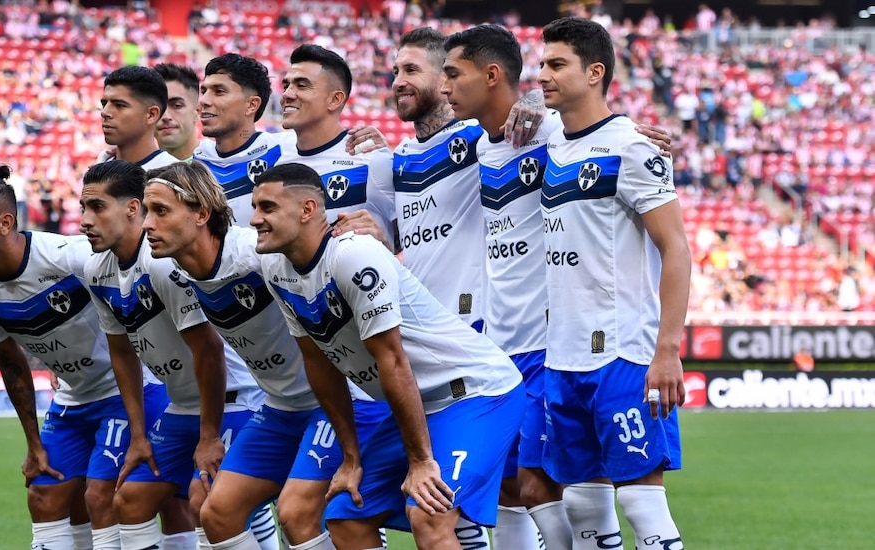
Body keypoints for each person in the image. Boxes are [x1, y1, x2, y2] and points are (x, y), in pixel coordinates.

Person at [251, 162, 525, 550]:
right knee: (346, 516)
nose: (254, 219)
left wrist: (421, 461)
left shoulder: (353, 256)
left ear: (308, 210)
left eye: (267, 207)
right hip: (419, 407)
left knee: (427, 515)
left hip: (475, 393)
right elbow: (319, 363)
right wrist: (350, 458)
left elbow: (392, 362)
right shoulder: (275, 267)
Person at [139, 161, 389, 550]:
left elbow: (323, 255)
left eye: (160, 211)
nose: (146, 225)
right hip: (279, 406)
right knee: (214, 511)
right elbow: (206, 348)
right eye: (146, 211)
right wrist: (208, 437)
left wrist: (366, 237)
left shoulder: (257, 255)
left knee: (295, 513)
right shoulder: (168, 268)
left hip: (338, 400)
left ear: (201, 215)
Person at [0, 166, 171, 550]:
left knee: (101, 495)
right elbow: (11, 362)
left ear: (5, 223)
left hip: (129, 392)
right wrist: (33, 443)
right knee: (43, 494)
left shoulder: (70, 257)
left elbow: (137, 298)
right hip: (73, 398)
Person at [538, 17, 689, 550]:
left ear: (595, 72)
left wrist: (666, 349)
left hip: (623, 350)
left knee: (640, 501)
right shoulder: (551, 140)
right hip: (563, 356)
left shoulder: (631, 147)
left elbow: (676, 249)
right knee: (581, 503)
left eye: (557, 64)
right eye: (541, 64)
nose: (543, 76)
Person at [79, 159, 265, 550]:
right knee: (130, 498)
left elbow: (209, 350)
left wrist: (208, 435)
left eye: (96, 207)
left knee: (208, 502)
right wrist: (138, 435)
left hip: (230, 401)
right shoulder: (97, 270)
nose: (84, 220)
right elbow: (122, 356)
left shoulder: (163, 264)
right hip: (180, 406)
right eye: (83, 208)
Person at [440, 24, 569, 550]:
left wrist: (538, 99)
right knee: (510, 490)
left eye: (453, 73)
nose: (444, 86)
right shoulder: (480, 150)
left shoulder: (551, 132)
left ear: (492, 75)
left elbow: (598, 127)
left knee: (541, 486)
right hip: (499, 348)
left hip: (549, 342)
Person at [274, 45, 395, 248]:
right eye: (286, 85)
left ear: (334, 99)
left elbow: (405, 236)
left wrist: (385, 240)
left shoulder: (370, 158)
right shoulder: (279, 165)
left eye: (301, 85)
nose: (287, 94)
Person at [192, 53, 292, 227]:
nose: (204, 101)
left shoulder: (283, 152)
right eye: (204, 91)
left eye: (219, 91)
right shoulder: (197, 160)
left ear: (251, 105)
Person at [99, 66, 180, 169]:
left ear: (151, 115)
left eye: (119, 105)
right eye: (104, 104)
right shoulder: (100, 169)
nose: (104, 112)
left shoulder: (175, 176)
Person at [154, 63, 202, 161]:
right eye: (157, 107)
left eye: (177, 106)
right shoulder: (136, 172)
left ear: (197, 111)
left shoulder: (223, 164)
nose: (166, 116)